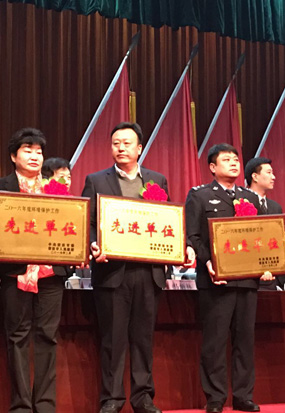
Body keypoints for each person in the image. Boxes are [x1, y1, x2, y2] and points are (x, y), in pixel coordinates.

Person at [82, 122, 195, 413]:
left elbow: (168, 220)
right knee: (113, 339)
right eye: (116, 143)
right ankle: (112, 399)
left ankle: (143, 398)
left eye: (127, 143)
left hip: (149, 272)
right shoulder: (96, 180)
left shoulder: (157, 180)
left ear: (139, 148)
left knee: (143, 339)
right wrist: (93, 243)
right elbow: (88, 223)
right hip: (112, 272)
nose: (121, 148)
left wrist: (183, 247)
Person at [0, 128, 68, 412]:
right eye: (27, 151)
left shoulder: (55, 188)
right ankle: (20, 406)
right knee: (16, 337)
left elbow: (69, 225)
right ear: (13, 156)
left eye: (39, 152)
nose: (34, 156)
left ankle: (45, 405)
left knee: (47, 337)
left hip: (51, 274)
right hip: (14, 272)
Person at [185, 144, 273, 413]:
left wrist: (267, 263)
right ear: (212, 167)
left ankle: (243, 395)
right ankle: (215, 397)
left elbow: (263, 234)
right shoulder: (199, 196)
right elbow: (193, 236)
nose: (234, 163)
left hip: (247, 280)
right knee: (215, 341)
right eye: (226, 160)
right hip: (216, 280)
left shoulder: (250, 197)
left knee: (244, 340)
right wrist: (208, 261)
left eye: (236, 159)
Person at [244, 157, 284, 291]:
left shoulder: (275, 207)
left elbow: (283, 240)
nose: (273, 177)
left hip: (272, 277)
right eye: (269, 172)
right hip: (248, 277)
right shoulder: (241, 201)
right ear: (255, 177)